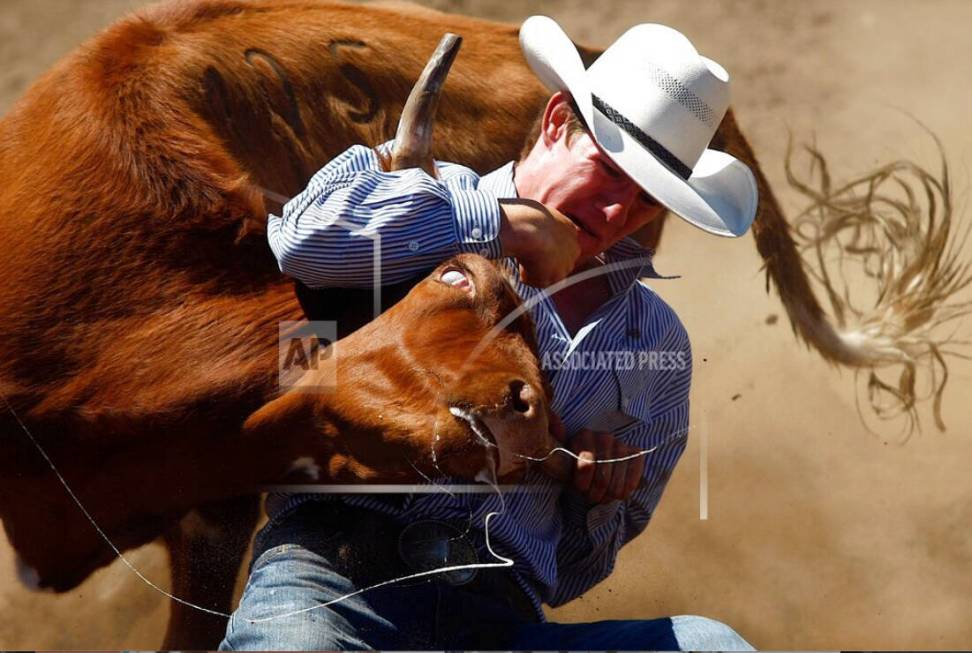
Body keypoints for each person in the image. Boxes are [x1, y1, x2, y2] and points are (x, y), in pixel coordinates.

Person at [220, 15, 758, 651]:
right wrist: (509, 227)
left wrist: (599, 495)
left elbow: (577, 574)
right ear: (557, 121)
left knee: (708, 645)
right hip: (333, 576)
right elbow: (305, 244)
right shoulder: (413, 192)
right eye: (610, 172)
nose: (618, 212)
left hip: (500, 616)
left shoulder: (655, 341)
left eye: (647, 200)